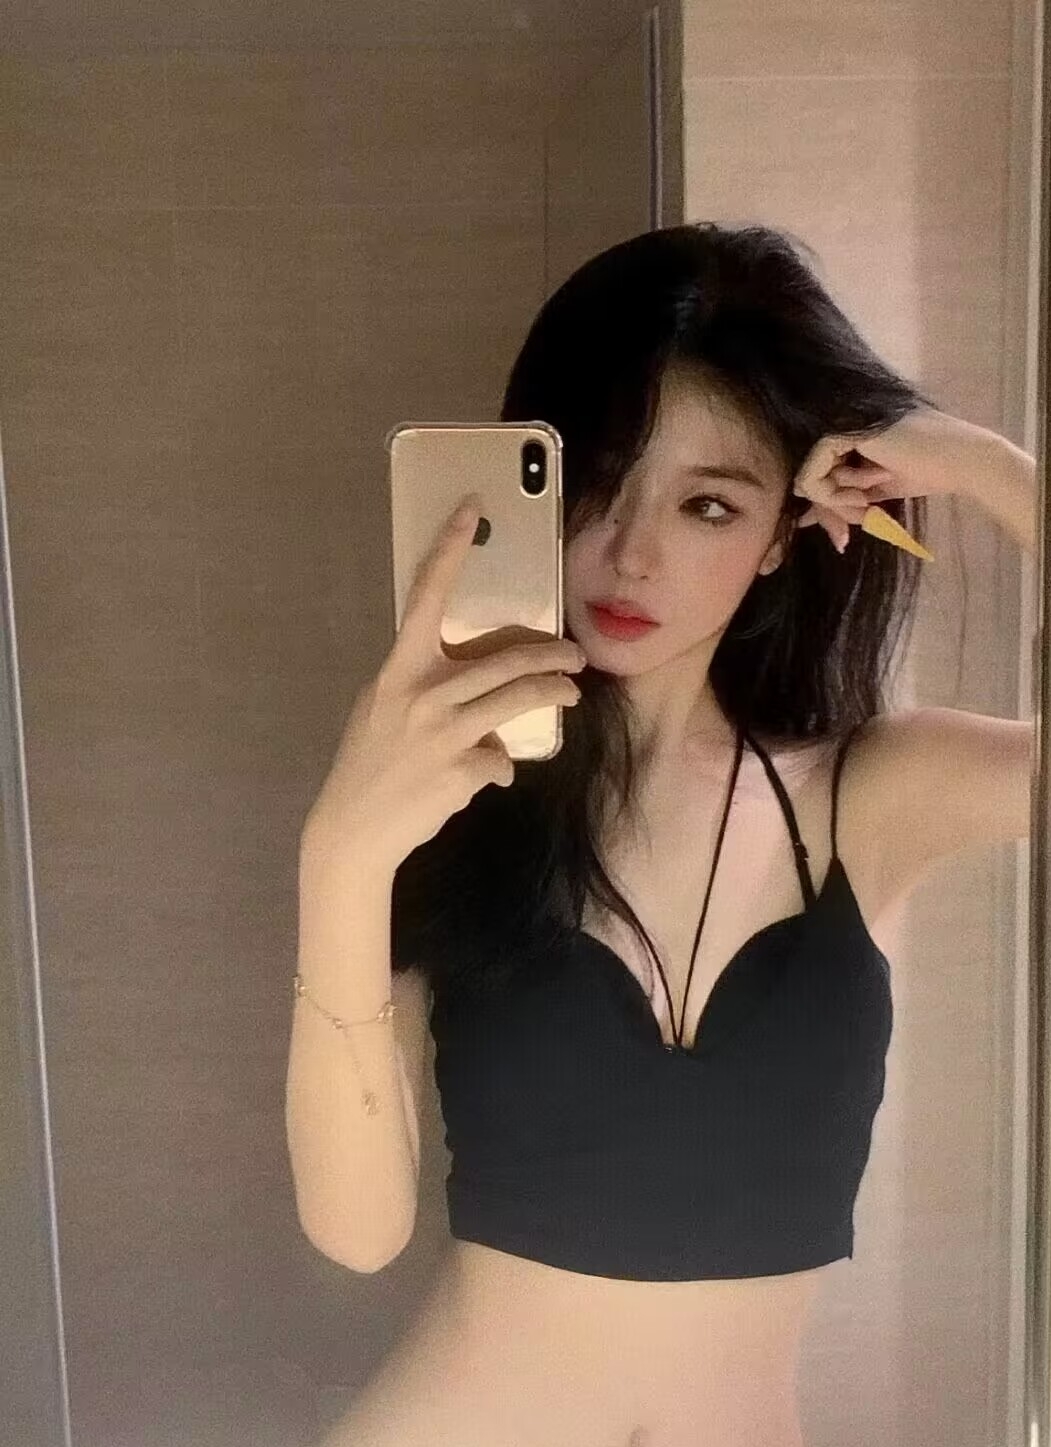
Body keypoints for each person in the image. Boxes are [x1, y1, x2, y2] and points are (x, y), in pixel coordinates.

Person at [288, 221, 953, 1447]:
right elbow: (358, 1233)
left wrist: (989, 469)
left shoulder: (877, 791)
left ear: (784, 532)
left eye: (708, 504)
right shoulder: (445, 783)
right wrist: (339, 859)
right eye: (595, 479)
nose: (633, 553)